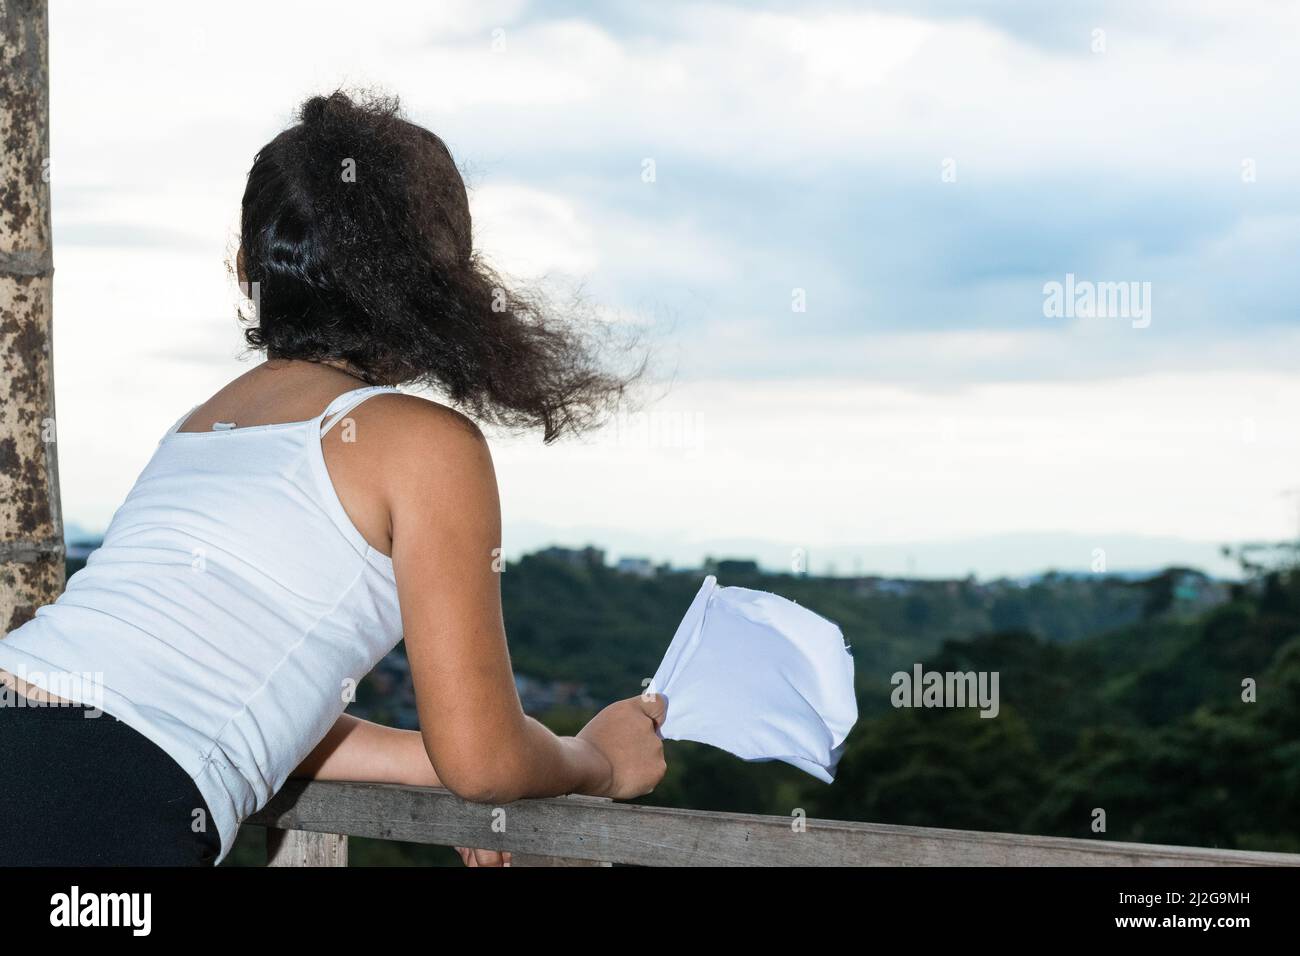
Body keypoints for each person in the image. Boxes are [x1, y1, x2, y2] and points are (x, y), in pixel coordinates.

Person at [0, 90, 666, 867]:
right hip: (96, 803)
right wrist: (599, 762)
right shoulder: (426, 444)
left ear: (250, 265)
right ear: (438, 285)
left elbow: (251, 704)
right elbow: (482, 761)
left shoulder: (208, 423)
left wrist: (453, 757)